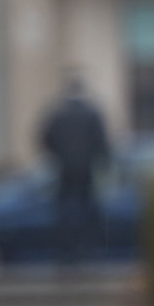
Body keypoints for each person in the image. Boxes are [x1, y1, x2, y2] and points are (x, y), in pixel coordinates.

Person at [37, 73, 113, 267]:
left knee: (65, 211)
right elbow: (103, 143)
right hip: (86, 170)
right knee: (88, 209)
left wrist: (59, 157)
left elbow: (45, 139)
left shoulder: (57, 113)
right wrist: (99, 162)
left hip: (65, 170)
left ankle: (66, 251)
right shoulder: (92, 113)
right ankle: (88, 250)